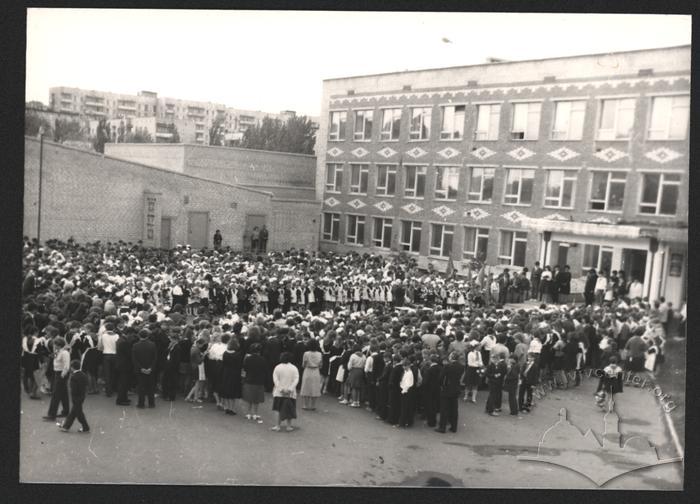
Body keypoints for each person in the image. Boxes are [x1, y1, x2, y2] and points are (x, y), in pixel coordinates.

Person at [435, 352, 464, 433]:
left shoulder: (447, 366)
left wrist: (441, 385)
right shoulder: (461, 366)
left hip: (447, 389)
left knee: (444, 409)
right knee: (454, 409)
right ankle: (454, 427)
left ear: (451, 357)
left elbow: (441, 378)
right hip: (456, 388)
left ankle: (442, 427)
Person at [43, 337, 70, 421]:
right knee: (63, 393)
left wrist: (62, 376)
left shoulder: (65, 353)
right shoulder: (58, 351)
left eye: (55, 344)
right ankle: (66, 411)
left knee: (56, 394)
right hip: (57, 373)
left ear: (59, 345)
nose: (53, 346)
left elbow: (66, 366)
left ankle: (52, 415)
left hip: (61, 374)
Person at [58, 360, 90, 433]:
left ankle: (66, 427)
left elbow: (74, 389)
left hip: (76, 397)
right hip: (82, 396)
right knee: (77, 412)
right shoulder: (83, 375)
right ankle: (84, 427)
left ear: (72, 368)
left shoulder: (74, 377)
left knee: (74, 413)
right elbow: (87, 384)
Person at [271, 352, 299, 432]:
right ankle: (288, 426)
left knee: (279, 409)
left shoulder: (277, 367)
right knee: (289, 408)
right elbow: (296, 379)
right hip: (290, 393)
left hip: (279, 393)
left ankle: (278, 425)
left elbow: (275, 380)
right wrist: (290, 389)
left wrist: (281, 389)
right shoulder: (294, 368)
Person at [132, 328, 157, 408]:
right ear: (147, 336)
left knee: (141, 387)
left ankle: (141, 403)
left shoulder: (135, 345)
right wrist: (150, 368)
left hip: (140, 370)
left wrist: (141, 368)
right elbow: (155, 358)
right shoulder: (152, 345)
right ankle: (151, 403)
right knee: (151, 387)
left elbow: (134, 359)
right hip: (150, 369)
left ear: (139, 336)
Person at [242, 343, 266, 423]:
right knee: (256, 399)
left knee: (249, 398)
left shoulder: (248, 359)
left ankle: (248, 413)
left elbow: (245, 369)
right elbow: (265, 370)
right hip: (259, 381)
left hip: (249, 380)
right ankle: (255, 414)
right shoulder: (262, 359)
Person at [219, 336, 243, 415]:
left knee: (226, 390)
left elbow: (223, 364)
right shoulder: (238, 355)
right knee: (233, 391)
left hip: (226, 373)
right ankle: (232, 409)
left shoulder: (225, 354)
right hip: (234, 373)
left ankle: (227, 407)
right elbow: (239, 366)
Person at [300, 338, 322, 411]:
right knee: (315, 388)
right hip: (316, 371)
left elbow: (303, 364)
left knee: (306, 387)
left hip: (308, 370)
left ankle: (305, 405)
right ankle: (313, 405)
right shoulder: (319, 354)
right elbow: (320, 365)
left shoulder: (306, 353)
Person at [98, 322, 119, 397]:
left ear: (106, 329)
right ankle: (114, 388)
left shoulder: (103, 336)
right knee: (114, 373)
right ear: (113, 328)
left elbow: (100, 346)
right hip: (115, 355)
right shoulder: (117, 336)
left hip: (106, 355)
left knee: (107, 373)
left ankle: (108, 391)